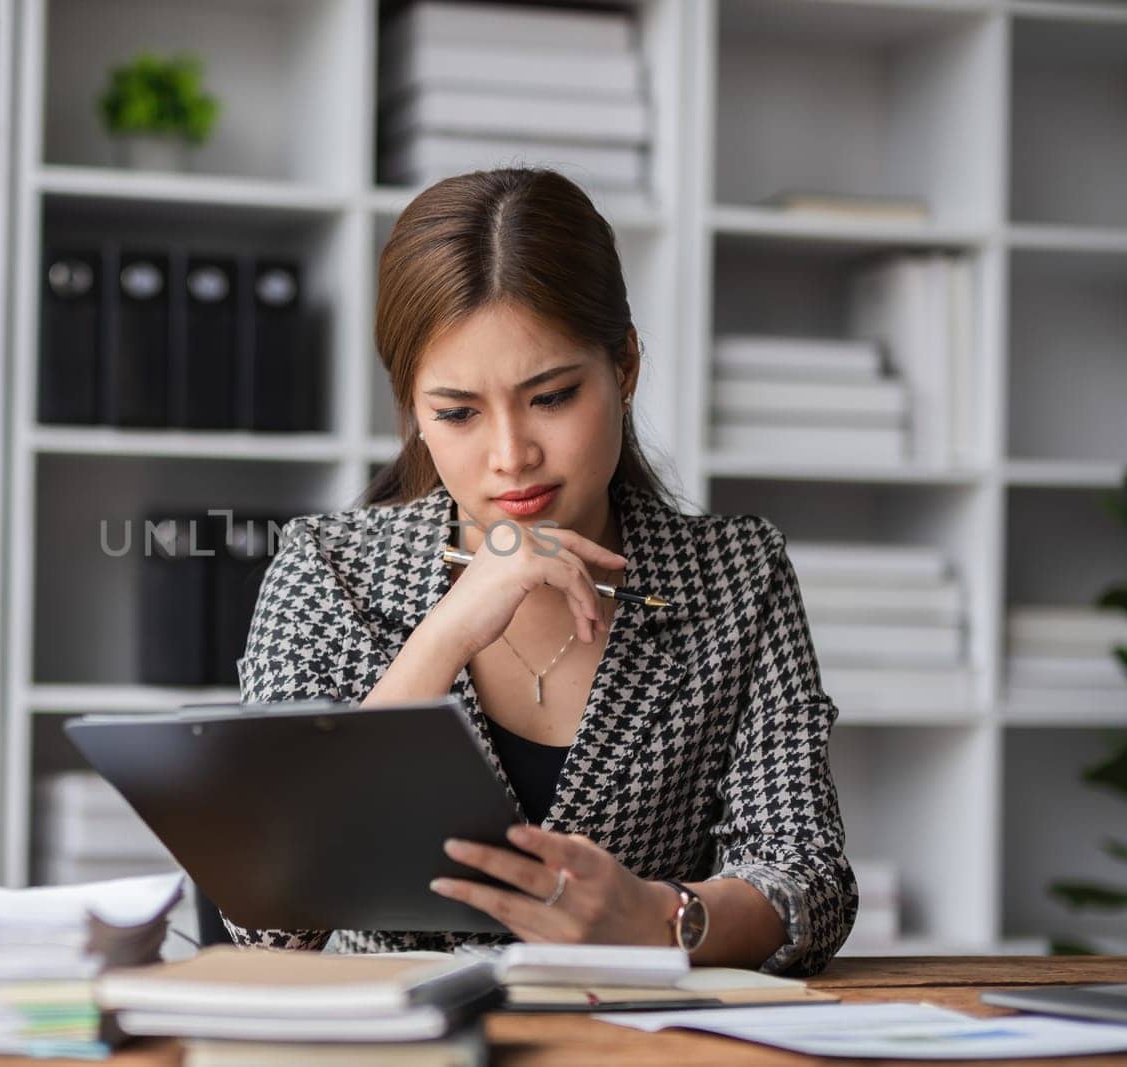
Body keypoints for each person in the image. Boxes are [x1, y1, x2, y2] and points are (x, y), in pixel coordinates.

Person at [223, 168, 856, 976]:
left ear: (624, 367)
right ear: (413, 408)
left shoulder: (736, 574)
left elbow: (810, 880)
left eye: (551, 397)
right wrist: (445, 631)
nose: (510, 455)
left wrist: (660, 916)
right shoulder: (328, 570)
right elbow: (268, 922)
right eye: (456, 413)